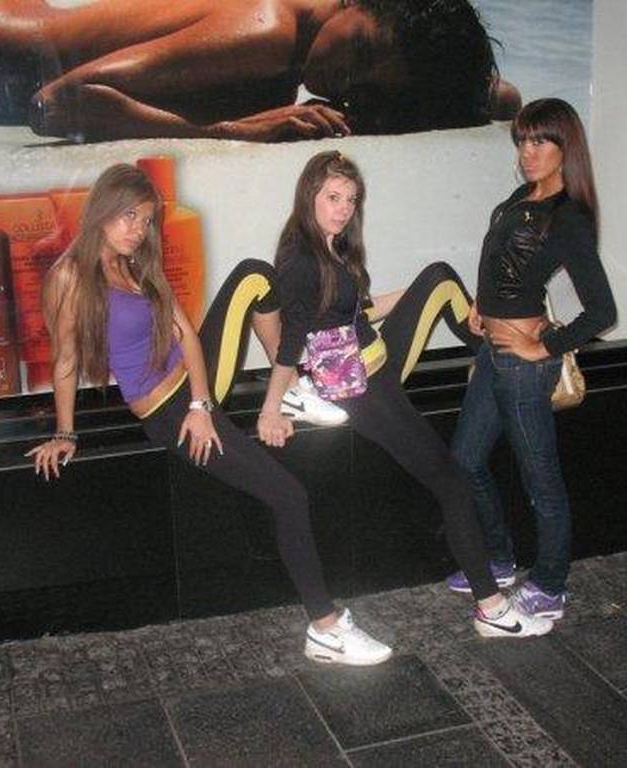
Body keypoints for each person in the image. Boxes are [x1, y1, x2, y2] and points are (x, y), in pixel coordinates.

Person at [27, 163, 390, 665]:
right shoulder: (70, 277)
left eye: (146, 220)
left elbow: (187, 337)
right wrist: (65, 433)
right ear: (103, 210)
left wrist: (201, 403)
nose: (138, 229)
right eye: (129, 216)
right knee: (289, 495)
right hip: (166, 412)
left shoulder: (136, 266)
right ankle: (325, 629)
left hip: (195, 394)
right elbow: (65, 361)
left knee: (255, 275)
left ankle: (291, 388)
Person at [256, 150, 553, 639]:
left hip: (377, 364)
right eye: (333, 197)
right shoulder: (302, 260)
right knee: (451, 482)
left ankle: (493, 349)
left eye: (351, 199)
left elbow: (359, 310)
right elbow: (292, 339)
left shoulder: (332, 248)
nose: (343, 209)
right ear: (309, 195)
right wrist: (274, 405)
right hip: (361, 389)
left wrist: (412, 293)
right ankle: (492, 607)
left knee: (437, 276)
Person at [0, 0, 519, 139]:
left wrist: (480, 95)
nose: (347, 80)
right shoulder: (268, 31)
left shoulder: (300, 32)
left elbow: (503, 98)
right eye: (363, 52)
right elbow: (55, 103)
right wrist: (228, 132)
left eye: (368, 82)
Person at [447, 98, 617, 619]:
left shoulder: (569, 216)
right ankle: (499, 559)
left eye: (540, 140)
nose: (528, 151)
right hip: (493, 353)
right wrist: (481, 304)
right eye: (522, 140)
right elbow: (501, 260)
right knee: (464, 461)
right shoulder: (521, 197)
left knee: (540, 479)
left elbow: (602, 310)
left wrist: (543, 347)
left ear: (567, 147)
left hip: (524, 367)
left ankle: (550, 584)